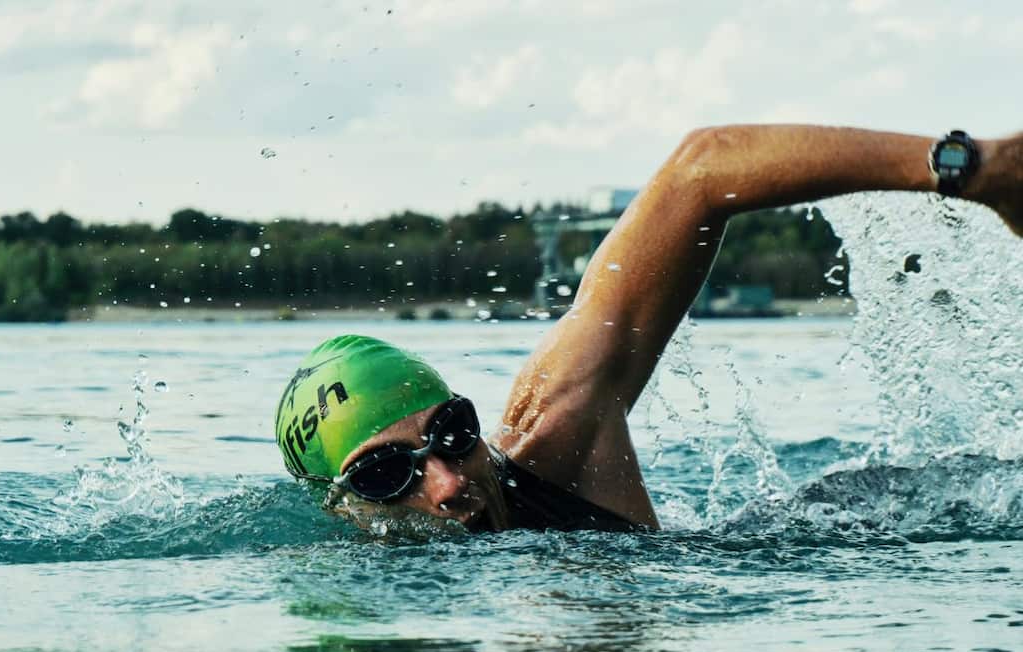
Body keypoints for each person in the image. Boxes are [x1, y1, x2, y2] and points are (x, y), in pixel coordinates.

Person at [275, 125, 1023, 534]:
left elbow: (699, 172)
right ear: (341, 507)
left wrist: (972, 168)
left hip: (890, 513)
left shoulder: (553, 443)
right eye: (385, 474)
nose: (445, 483)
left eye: (451, 433)